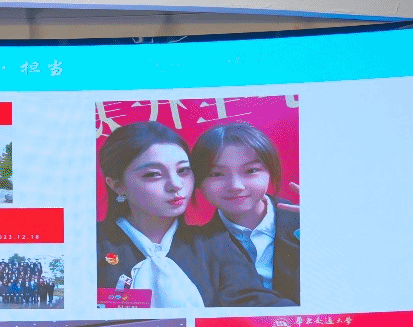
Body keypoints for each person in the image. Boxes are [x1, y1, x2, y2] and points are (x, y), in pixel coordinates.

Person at [96, 121, 291, 308]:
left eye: (183, 170)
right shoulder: (90, 244)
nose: (175, 184)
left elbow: (253, 300)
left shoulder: (215, 244)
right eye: (153, 174)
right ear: (117, 185)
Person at [191, 121, 301, 305]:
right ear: (198, 181)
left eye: (251, 171)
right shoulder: (194, 246)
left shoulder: (307, 223)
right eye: (216, 174)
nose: (236, 186)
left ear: (270, 171)